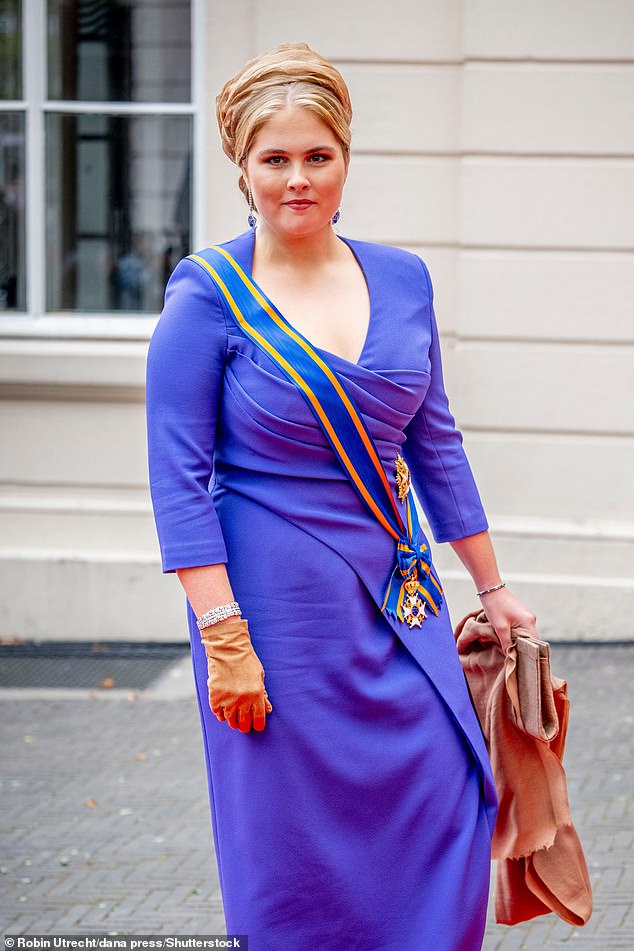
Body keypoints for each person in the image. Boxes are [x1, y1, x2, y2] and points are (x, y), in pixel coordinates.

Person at [146, 42, 538, 951]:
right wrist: (224, 637)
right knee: (296, 849)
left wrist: (491, 585)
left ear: (346, 157)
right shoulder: (207, 294)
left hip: (400, 592)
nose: (297, 179)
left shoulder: (403, 278)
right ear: (242, 168)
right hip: (273, 615)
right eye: (274, 159)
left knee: (449, 789)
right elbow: (178, 474)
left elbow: (435, 442)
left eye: (317, 156)